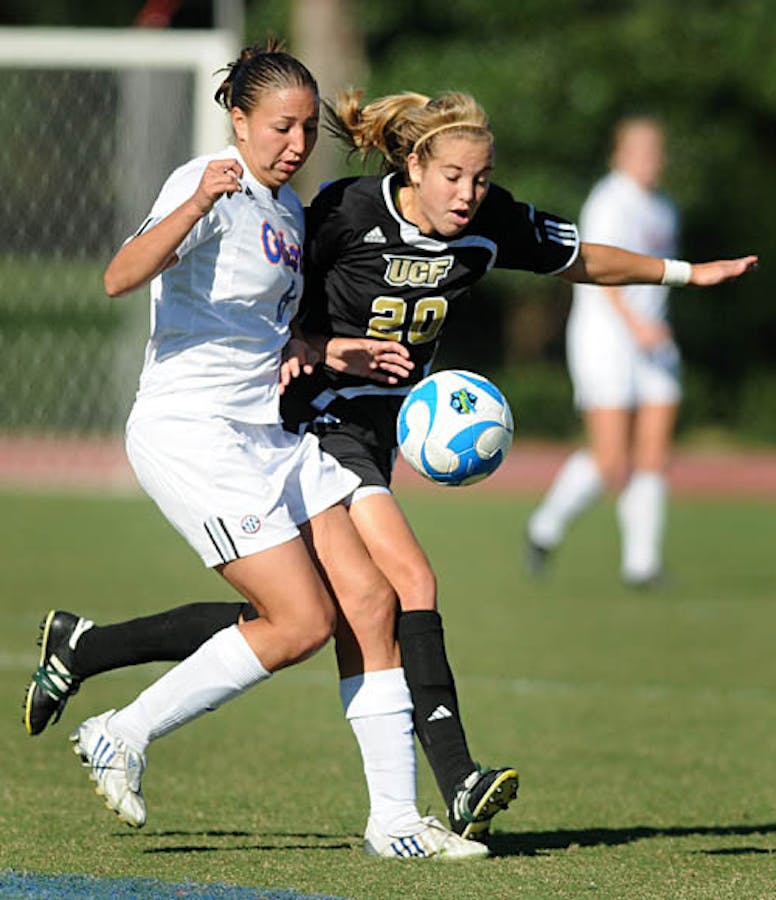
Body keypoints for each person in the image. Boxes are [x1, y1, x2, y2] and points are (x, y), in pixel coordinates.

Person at [25, 88, 755, 841]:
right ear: (414, 165)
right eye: (454, 176)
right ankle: (454, 781)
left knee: (346, 608)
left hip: (370, 431)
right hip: (311, 419)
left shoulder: (478, 222)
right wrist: (315, 348)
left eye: (481, 178)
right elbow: (269, 309)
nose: (468, 193)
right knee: (398, 585)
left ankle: (101, 658)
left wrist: (683, 274)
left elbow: (578, 258)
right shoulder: (340, 212)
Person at [34, 43, 488, 861]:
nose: (296, 143)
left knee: (371, 599)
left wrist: (330, 350)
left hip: (268, 433)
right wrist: (194, 203)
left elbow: (270, 332)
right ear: (239, 122)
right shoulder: (206, 182)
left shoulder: (287, 211)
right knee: (302, 621)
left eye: (307, 129)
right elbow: (119, 276)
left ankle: (394, 821)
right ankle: (122, 732)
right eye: (281, 127)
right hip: (193, 432)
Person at [526, 116, 694, 586]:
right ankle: (544, 528)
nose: (651, 159)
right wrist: (637, 325)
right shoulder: (609, 201)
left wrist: (652, 327)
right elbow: (598, 271)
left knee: (654, 454)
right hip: (606, 339)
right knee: (611, 459)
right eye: (640, 150)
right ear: (618, 154)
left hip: (653, 340)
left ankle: (642, 564)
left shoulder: (664, 207)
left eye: (656, 150)